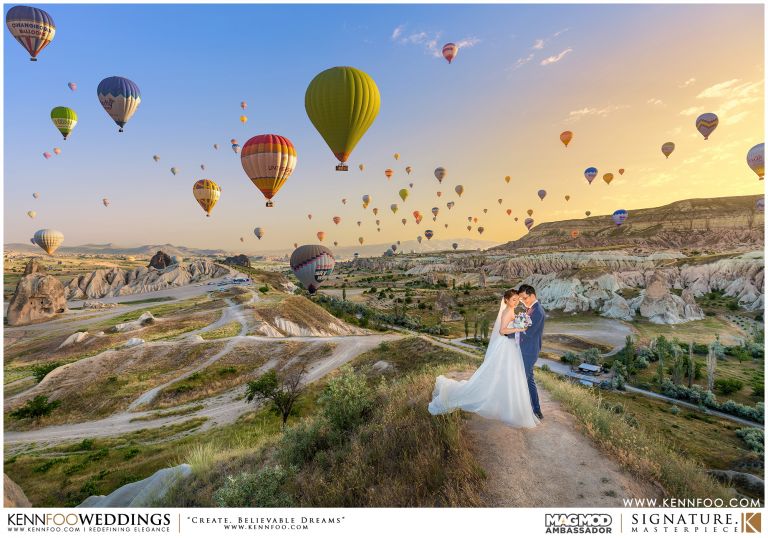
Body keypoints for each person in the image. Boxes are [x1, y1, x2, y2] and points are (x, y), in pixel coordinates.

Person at [427, 288, 539, 428]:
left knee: (508, 375)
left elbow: (515, 325)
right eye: (514, 300)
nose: (516, 302)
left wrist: (521, 324)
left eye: (518, 299)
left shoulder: (512, 310)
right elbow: (502, 331)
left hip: (511, 346)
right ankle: (507, 405)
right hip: (506, 346)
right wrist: (519, 329)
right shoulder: (507, 312)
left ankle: (505, 402)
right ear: (506, 300)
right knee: (507, 374)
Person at [505, 284, 545, 419]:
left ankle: (532, 410)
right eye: (521, 299)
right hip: (525, 349)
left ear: (532, 295)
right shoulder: (531, 309)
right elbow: (523, 327)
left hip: (529, 351)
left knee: (523, 380)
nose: (522, 301)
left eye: (524, 298)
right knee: (528, 380)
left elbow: (528, 333)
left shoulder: (537, 311)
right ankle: (535, 409)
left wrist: (508, 333)